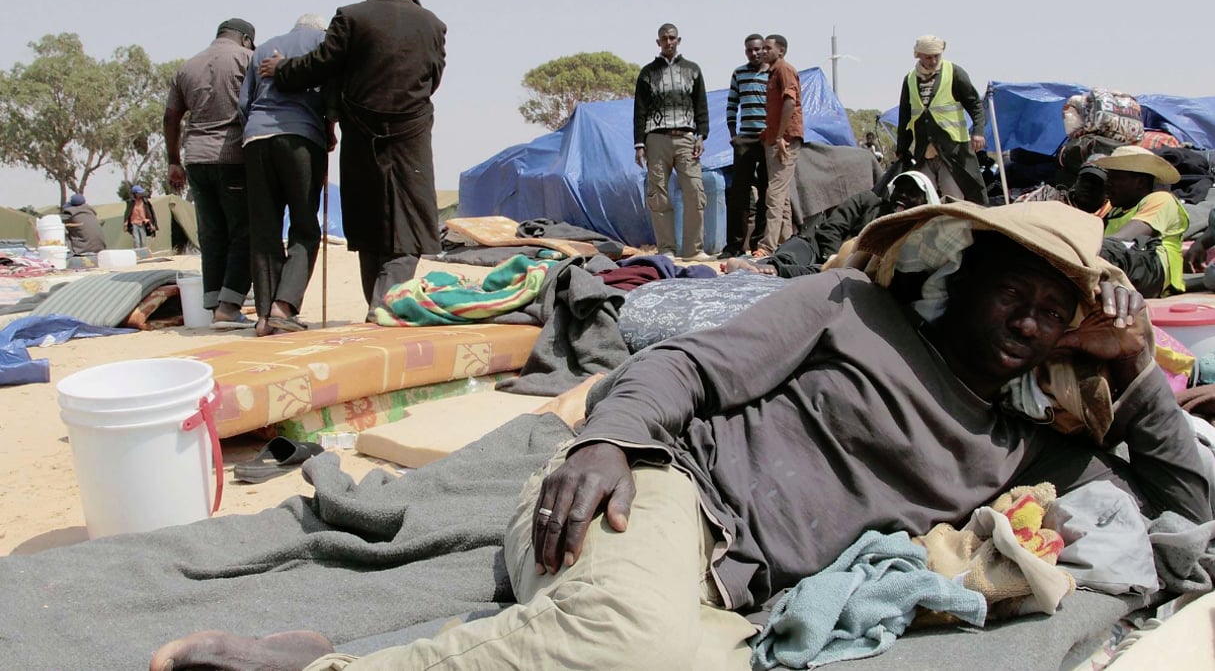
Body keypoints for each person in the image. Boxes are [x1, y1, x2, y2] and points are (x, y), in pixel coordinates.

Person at [151, 201, 1214, 671]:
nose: (1029, 323)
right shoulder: (852, 306)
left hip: (724, 593)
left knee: (663, 656)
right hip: (645, 498)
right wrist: (608, 441)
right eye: (1014, 292)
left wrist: (1125, 361)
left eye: (1054, 312)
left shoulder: (1018, 443)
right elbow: (686, 365)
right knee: (632, 646)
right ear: (960, 273)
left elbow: (1187, 505)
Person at [258, 0, 447, 321]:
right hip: (412, 135)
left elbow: (320, 65)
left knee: (368, 220)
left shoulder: (351, 17)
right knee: (411, 220)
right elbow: (433, 77)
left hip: (362, 132)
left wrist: (281, 69)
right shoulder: (433, 24)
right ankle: (383, 304)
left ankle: (379, 304)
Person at [239, 14, 336, 337]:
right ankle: (284, 306)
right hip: (301, 139)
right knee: (305, 226)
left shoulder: (263, 47)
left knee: (264, 229)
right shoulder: (324, 45)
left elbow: (244, 104)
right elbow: (331, 96)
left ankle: (264, 317)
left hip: (256, 139)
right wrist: (329, 129)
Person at [164, 18, 257, 328]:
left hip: (196, 160)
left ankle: (212, 302)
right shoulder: (247, 59)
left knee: (212, 233)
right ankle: (229, 308)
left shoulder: (187, 67)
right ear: (245, 39)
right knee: (245, 233)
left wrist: (173, 161)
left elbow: (171, 116)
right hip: (233, 157)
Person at [726, 170, 939, 277]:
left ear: (925, 201)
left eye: (912, 194)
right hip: (815, 245)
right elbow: (831, 228)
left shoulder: (913, 233)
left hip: (840, 267)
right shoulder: (868, 201)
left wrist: (838, 265)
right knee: (790, 255)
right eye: (900, 190)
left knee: (808, 274)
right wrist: (832, 258)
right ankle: (763, 267)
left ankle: (766, 271)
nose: (903, 196)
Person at [633, 23, 711, 261]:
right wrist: (639, 144)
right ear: (658, 43)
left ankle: (693, 250)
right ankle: (666, 248)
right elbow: (640, 110)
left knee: (695, 192)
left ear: (679, 40)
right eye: (664, 39)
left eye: (672, 38)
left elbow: (701, 105)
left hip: (687, 138)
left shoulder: (692, 70)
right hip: (656, 139)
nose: (668, 42)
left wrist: (702, 135)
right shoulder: (647, 72)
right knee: (658, 194)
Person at [895, 35, 988, 204]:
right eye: (928, 57)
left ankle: (962, 231)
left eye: (936, 56)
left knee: (954, 198)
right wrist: (902, 147)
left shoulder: (954, 72)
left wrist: (979, 132)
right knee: (923, 200)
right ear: (919, 55)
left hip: (952, 152)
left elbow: (974, 104)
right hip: (925, 152)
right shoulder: (909, 79)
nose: (933, 61)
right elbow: (905, 116)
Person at [1093, 146, 1189, 298]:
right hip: (1120, 262)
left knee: (1105, 250)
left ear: (1140, 182)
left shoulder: (1161, 199)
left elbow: (1123, 238)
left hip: (1153, 269)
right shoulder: (1112, 209)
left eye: (1115, 178)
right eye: (1108, 178)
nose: (1107, 184)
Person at [753, 33, 802, 258]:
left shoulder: (784, 70)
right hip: (773, 139)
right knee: (781, 197)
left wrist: (781, 137)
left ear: (780, 51)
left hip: (785, 140)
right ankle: (787, 244)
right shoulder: (772, 73)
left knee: (774, 193)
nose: (763, 51)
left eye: (767, 48)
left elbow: (790, 101)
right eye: (761, 48)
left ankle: (767, 246)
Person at [721, 34, 769, 259]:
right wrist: (734, 135)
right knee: (739, 195)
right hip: (745, 140)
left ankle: (758, 244)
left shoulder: (773, 72)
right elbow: (731, 105)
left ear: (764, 49)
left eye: (758, 49)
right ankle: (734, 246)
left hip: (767, 140)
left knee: (766, 193)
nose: (754, 54)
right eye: (750, 50)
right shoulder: (739, 73)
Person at [1014, 161, 1111, 216]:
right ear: (1076, 181)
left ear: (1107, 191)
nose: (1088, 186)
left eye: (1096, 182)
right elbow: (1018, 212)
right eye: (1085, 179)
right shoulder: (1047, 196)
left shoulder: (1108, 217)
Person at [122, 185, 158, 249]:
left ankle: (143, 256)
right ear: (135, 194)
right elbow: (127, 214)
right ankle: (138, 256)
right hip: (134, 224)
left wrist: (151, 224)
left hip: (142, 224)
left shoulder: (145, 202)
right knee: (137, 241)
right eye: (139, 193)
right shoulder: (131, 203)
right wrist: (125, 224)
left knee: (143, 242)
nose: (141, 194)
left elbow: (149, 214)